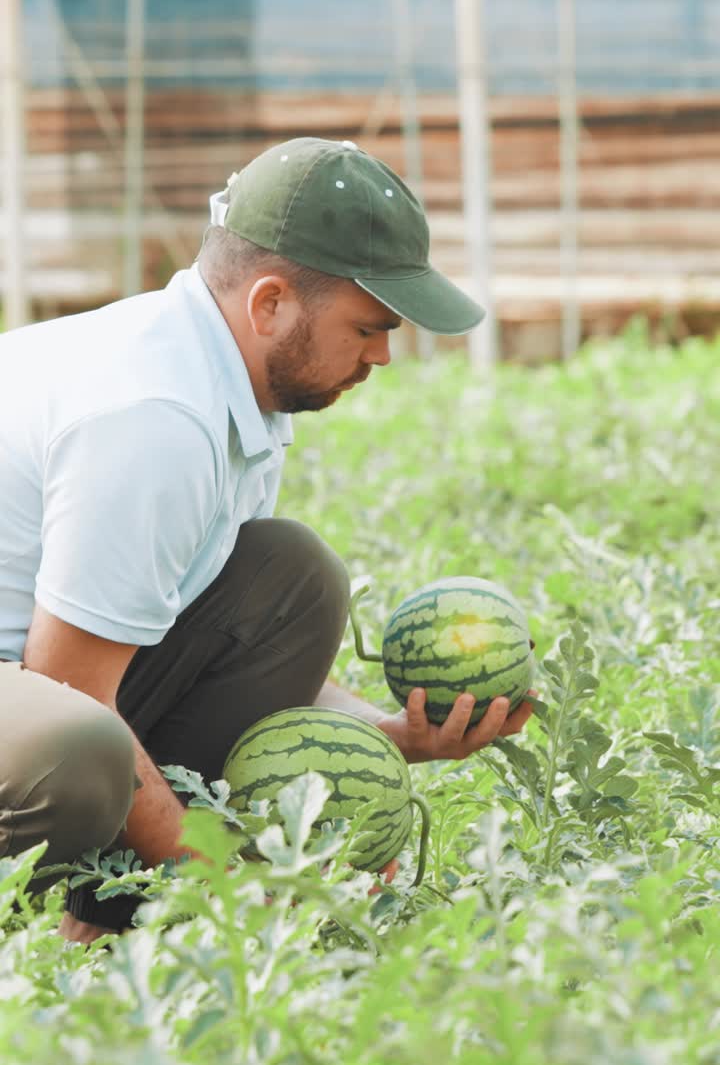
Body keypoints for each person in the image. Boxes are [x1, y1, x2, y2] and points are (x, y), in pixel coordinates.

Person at [0, 137, 534, 944]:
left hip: (28, 677)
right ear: (270, 304)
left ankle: (112, 939)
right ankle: (99, 934)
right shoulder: (153, 417)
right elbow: (73, 690)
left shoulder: (228, 390)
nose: (383, 355)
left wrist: (388, 737)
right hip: (39, 693)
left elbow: (202, 643)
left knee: (290, 576)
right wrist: (227, 879)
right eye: (367, 327)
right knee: (76, 752)